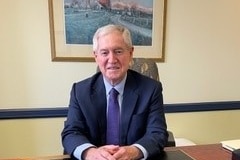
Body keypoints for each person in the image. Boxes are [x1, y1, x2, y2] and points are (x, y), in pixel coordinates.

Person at [61, 24, 168, 160]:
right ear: (96, 56)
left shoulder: (151, 89)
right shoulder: (80, 91)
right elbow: (71, 132)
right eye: (104, 52)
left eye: (118, 51)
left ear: (130, 53)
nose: (112, 60)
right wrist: (91, 153)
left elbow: (157, 133)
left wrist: (133, 151)